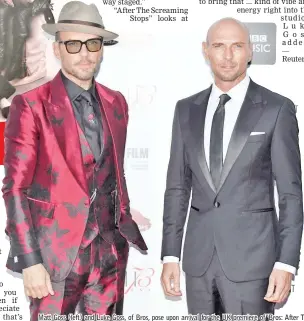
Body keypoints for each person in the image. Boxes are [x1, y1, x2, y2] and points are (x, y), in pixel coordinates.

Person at [2, 1, 147, 319]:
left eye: (92, 43)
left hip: (109, 252)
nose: (84, 53)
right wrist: (30, 261)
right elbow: (15, 188)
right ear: (57, 49)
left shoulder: (116, 101)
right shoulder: (30, 105)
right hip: (54, 257)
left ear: (101, 48)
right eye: (73, 43)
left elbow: (112, 171)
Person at [160, 17, 303, 315]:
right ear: (205, 51)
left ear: (250, 51)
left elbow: (290, 194)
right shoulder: (185, 109)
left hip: (254, 263)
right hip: (198, 263)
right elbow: (177, 187)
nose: (227, 56)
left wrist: (286, 263)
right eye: (219, 46)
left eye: (237, 46)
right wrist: (170, 255)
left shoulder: (277, 109)